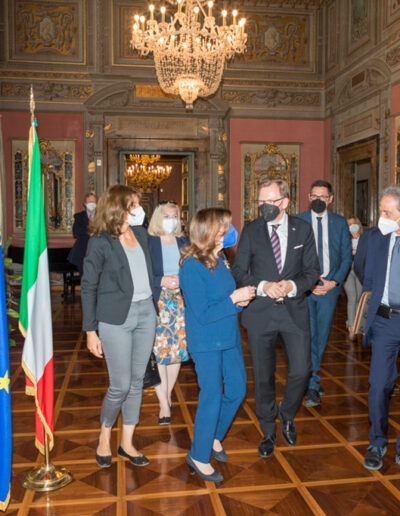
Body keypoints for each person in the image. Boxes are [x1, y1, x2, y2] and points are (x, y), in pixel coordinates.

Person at [232, 178, 320, 459]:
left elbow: (311, 271)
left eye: (270, 201)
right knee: (263, 375)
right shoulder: (252, 230)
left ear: (285, 201)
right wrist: (263, 286)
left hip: (294, 312)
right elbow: (238, 269)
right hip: (261, 314)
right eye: (261, 202)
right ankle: (268, 428)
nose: (265, 207)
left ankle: (288, 413)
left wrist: (292, 286)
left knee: (302, 370)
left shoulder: (302, 229)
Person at [81, 185, 157, 468]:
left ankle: (127, 443)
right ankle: (105, 436)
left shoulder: (140, 234)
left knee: (137, 382)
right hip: (115, 319)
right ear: (118, 208)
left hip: (146, 314)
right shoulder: (100, 241)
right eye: (133, 204)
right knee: (120, 385)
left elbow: (150, 272)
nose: (138, 209)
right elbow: (88, 286)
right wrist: (91, 331)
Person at [180, 208, 256, 482]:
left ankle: (213, 436)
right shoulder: (191, 266)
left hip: (229, 336)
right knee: (211, 395)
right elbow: (203, 313)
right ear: (207, 232)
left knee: (237, 390)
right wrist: (233, 300)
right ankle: (198, 456)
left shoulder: (221, 258)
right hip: (206, 341)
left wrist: (239, 303)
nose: (227, 233)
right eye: (223, 229)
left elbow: (224, 301)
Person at [297, 180, 352, 408]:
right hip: (306, 290)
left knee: (321, 337)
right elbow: (294, 257)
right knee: (307, 336)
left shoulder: (339, 223)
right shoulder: (298, 222)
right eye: (315, 196)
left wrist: (333, 282)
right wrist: (308, 283)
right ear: (309, 197)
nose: (319, 200)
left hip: (330, 289)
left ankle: (312, 378)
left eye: (323, 196)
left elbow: (346, 256)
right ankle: (311, 384)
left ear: (330, 199)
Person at [361, 184, 400, 470]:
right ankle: (376, 442)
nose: (381, 216)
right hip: (385, 320)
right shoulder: (375, 238)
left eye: (387, 211)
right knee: (378, 385)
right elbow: (361, 268)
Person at [147, 202, 189, 425]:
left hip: (181, 302)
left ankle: (167, 393)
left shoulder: (184, 242)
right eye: (167, 215)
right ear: (157, 218)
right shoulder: (149, 242)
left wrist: (183, 280)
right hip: (158, 301)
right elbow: (142, 273)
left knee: (176, 351)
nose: (171, 219)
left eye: (175, 216)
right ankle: (164, 403)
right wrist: (161, 280)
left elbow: (193, 268)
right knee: (159, 352)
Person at [67, 191, 97, 276]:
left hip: (98, 252)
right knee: (85, 279)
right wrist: (92, 228)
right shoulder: (79, 216)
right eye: (89, 202)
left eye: (93, 202)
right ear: (85, 204)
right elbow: (76, 231)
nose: (92, 204)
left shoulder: (101, 216)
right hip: (82, 253)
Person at [343, 215, 363, 340]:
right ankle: (351, 327)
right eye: (349, 224)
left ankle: (359, 326)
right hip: (347, 271)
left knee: (360, 299)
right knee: (352, 298)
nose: (351, 227)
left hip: (360, 272)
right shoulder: (345, 239)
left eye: (353, 224)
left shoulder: (364, 239)